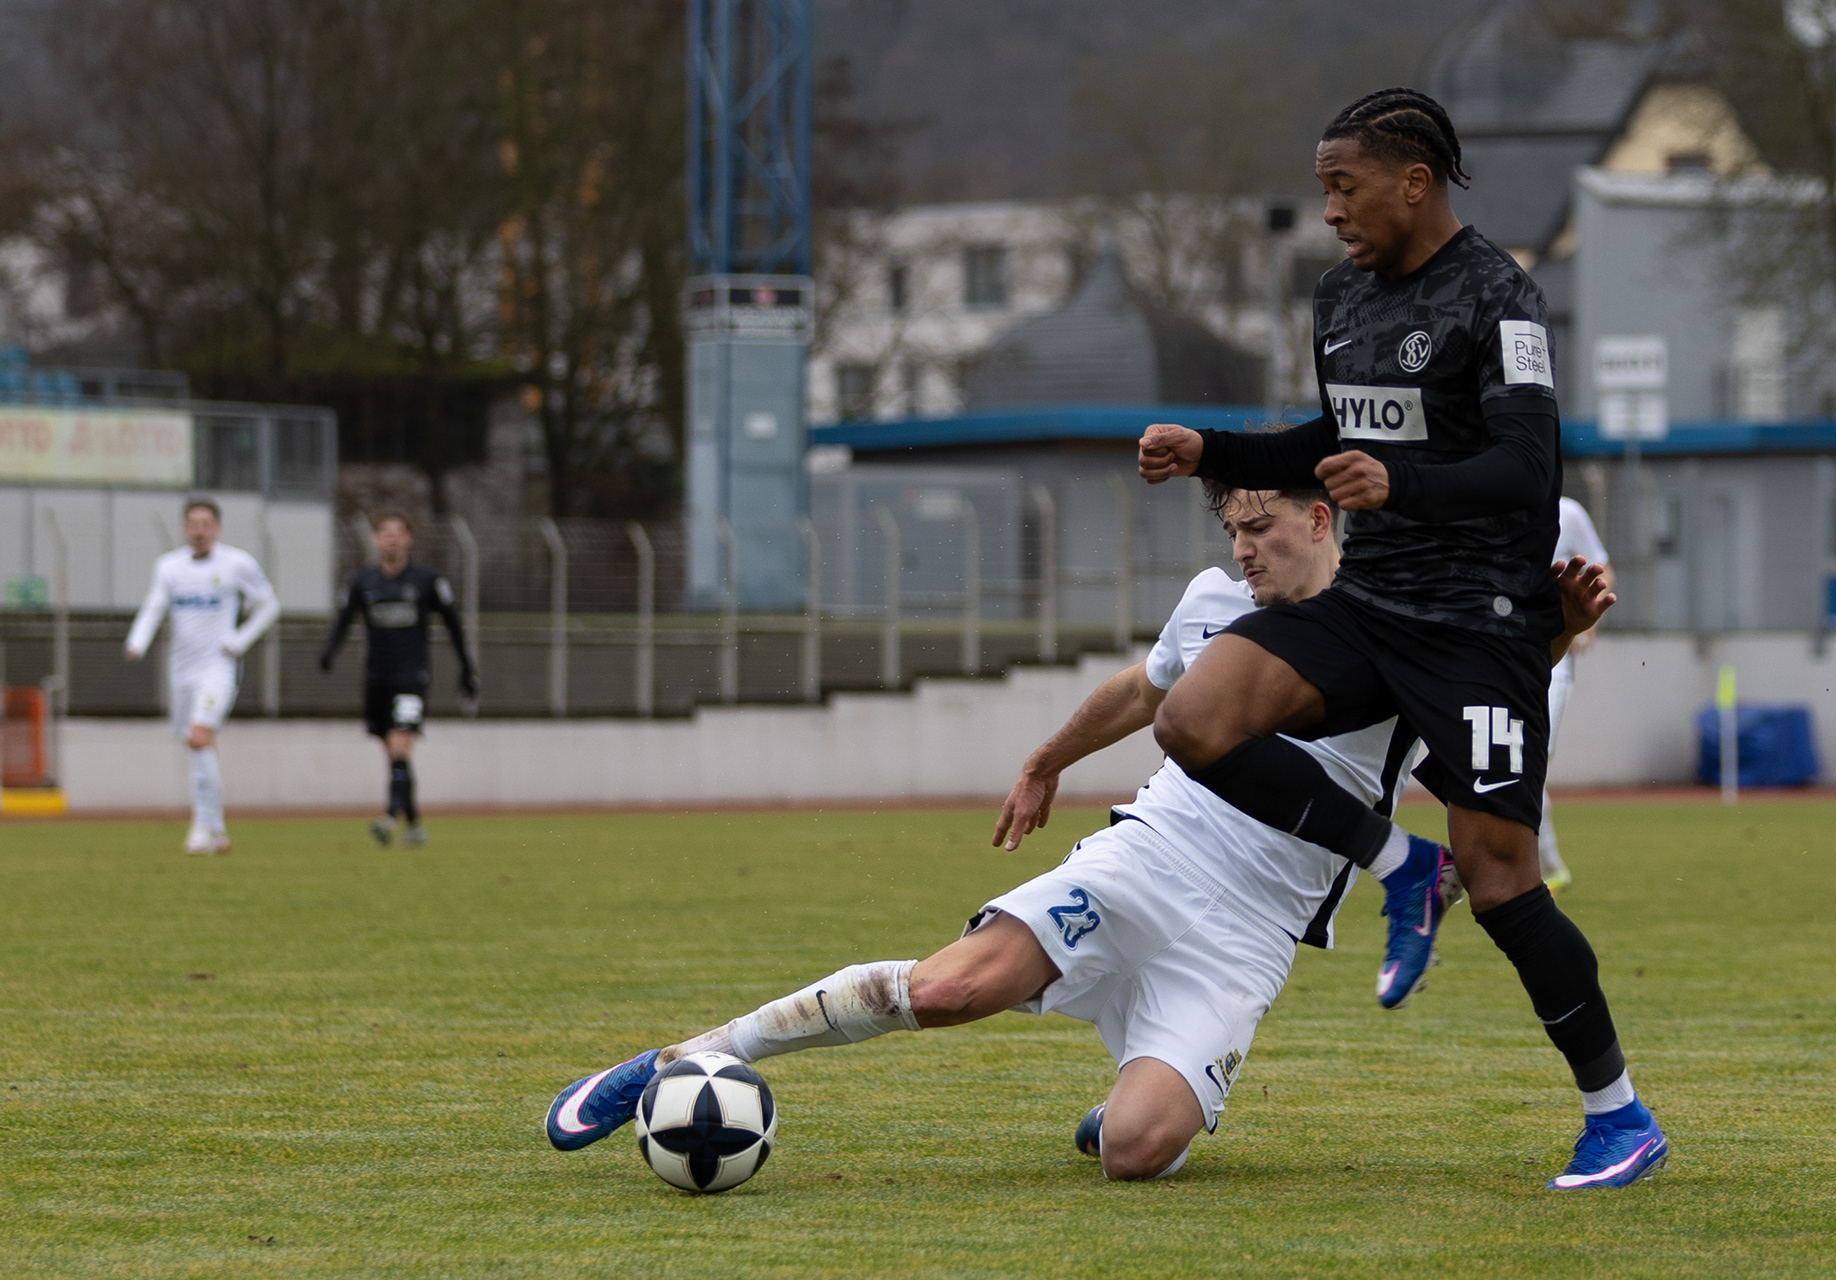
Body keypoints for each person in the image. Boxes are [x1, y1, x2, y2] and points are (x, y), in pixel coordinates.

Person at [541, 483, 1617, 1183]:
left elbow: (1488, 725)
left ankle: (1131, 1100)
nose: (1241, 550)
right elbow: (1143, 690)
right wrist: (1051, 757)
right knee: (951, 988)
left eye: (1262, 527)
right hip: (1151, 852)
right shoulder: (1211, 600)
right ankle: (687, 1054)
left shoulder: (1404, 627)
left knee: (1137, 1154)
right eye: (1231, 530)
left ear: (1323, 517)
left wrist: (1555, 637)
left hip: (1251, 927)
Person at [1134, 88, 1665, 1189]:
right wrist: (1215, 448)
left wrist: (1403, 483)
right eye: (1324, 186)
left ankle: (1619, 1115)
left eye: (1344, 185)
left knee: (1507, 877)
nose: (1329, 209)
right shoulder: (1338, 296)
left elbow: (1527, 464)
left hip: (1481, 625)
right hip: (1372, 606)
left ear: (1412, 181)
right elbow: (1333, 434)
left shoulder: (1499, 293)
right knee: (1196, 716)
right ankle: (1400, 867)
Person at [124, 497, 280, 855]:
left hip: (218, 668)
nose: (199, 531)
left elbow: (269, 604)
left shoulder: (237, 563)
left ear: (217, 528)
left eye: (206, 524)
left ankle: (200, 828)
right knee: (196, 746)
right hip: (181, 670)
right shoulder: (169, 567)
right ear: (183, 528)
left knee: (198, 737)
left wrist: (239, 640)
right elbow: (154, 606)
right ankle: (217, 831)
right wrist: (137, 642)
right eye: (193, 524)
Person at [318, 513, 477, 848]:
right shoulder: (363, 582)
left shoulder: (426, 579)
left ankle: (389, 817)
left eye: (398, 533)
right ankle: (415, 825)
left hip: (411, 677)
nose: (392, 539)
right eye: (385, 533)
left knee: (400, 745)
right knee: (394, 754)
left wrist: (467, 668)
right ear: (375, 540)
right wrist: (329, 651)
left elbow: (453, 624)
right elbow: (343, 621)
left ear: (409, 539)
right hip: (376, 678)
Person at [1539, 496, 1610, 892]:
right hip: (1496, 653)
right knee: (1507, 763)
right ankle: (1546, 867)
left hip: (1553, 655)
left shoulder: (1567, 512)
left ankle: (1542, 869)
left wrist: (1585, 624)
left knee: (1524, 761)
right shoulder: (1489, 501)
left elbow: (1604, 570)